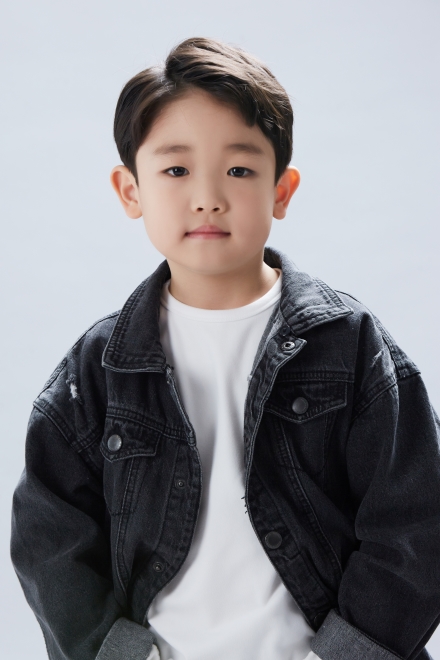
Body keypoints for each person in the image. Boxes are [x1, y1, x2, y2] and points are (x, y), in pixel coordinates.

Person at [10, 36, 440, 660]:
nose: (207, 195)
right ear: (130, 190)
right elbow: (49, 536)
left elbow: (417, 520)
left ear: (281, 190)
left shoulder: (349, 346)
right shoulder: (99, 368)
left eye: (239, 170)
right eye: (176, 170)